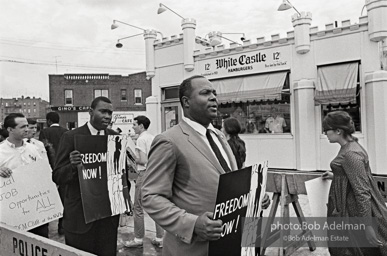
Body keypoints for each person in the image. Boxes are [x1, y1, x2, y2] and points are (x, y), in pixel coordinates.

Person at [141, 75, 270, 256]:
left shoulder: (219, 136)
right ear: (186, 102)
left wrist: (254, 195)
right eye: (205, 93)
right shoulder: (169, 141)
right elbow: (150, 197)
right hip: (194, 249)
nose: (213, 97)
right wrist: (192, 224)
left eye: (214, 93)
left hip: (231, 242)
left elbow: (229, 180)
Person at [53, 97, 121, 256]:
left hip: (107, 219)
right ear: (90, 112)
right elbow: (57, 176)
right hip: (80, 219)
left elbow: (120, 175)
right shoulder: (71, 137)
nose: (107, 116)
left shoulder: (114, 138)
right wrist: (73, 166)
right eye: (103, 111)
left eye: (110, 113)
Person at [321, 111, 387, 255]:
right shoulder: (351, 146)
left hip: (352, 213)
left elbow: (362, 192)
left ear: (338, 131)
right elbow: (356, 175)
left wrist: (368, 226)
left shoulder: (351, 154)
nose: (325, 133)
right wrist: (336, 175)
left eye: (327, 129)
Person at [0, 113, 48, 238]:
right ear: (10, 129)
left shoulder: (33, 149)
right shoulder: (1, 151)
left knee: (41, 241)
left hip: (36, 208)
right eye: (22, 127)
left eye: (27, 126)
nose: (27, 129)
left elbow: (43, 172)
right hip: (12, 212)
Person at [124, 115, 164, 249]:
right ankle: (160, 237)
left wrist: (131, 156)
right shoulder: (152, 138)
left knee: (138, 207)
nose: (133, 127)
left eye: (134, 124)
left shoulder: (141, 139)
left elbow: (143, 160)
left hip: (143, 173)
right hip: (154, 173)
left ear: (141, 126)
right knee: (155, 205)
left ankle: (138, 238)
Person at [39, 111, 68, 235]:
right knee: (64, 197)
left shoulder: (44, 133)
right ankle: (62, 226)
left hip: (49, 169)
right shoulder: (66, 132)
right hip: (64, 169)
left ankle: (48, 225)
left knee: (48, 198)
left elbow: (42, 151)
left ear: (48, 121)